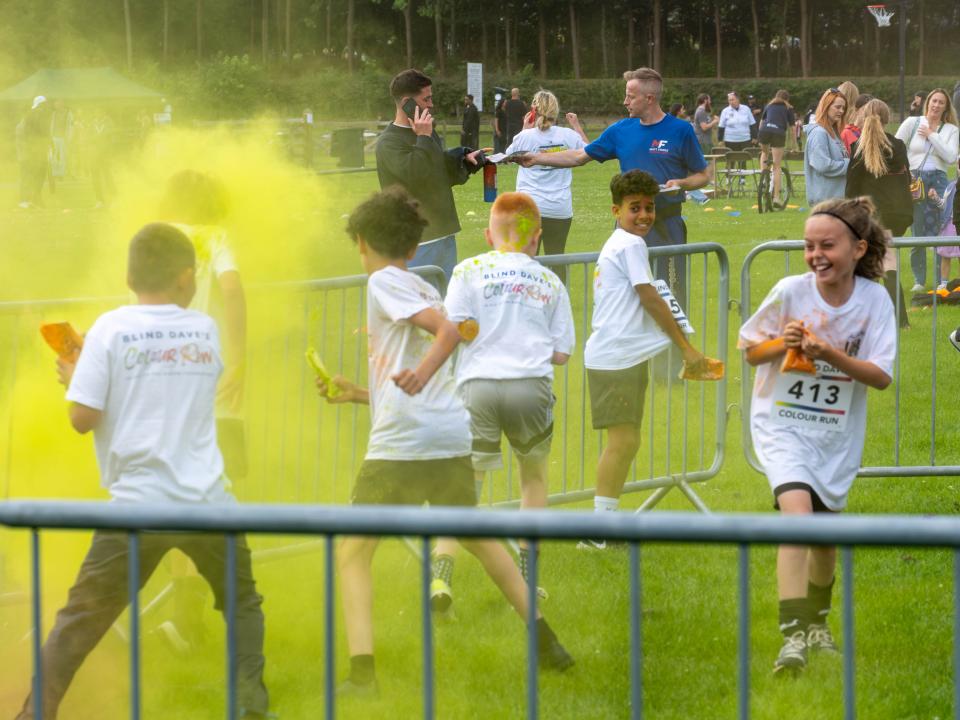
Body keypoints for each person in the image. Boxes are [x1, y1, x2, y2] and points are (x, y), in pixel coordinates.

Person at [317, 188, 574, 696]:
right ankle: (549, 644)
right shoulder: (419, 285)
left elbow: (447, 332)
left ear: (363, 242)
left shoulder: (384, 282)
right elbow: (425, 366)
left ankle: (362, 675)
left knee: (352, 552)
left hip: (403, 445)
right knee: (481, 541)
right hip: (446, 431)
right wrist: (359, 394)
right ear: (415, 249)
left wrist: (419, 372)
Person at [15, 223, 270, 720]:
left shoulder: (109, 329)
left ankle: (35, 714)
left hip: (137, 506)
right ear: (184, 278)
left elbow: (81, 419)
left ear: (130, 275)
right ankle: (251, 707)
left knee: (80, 619)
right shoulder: (203, 330)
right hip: (208, 502)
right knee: (242, 604)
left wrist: (75, 377)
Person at [740, 197, 895, 675]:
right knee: (799, 521)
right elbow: (751, 351)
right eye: (809, 246)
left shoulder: (874, 301)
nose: (816, 255)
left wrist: (829, 354)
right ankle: (792, 638)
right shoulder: (790, 290)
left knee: (825, 536)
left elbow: (881, 375)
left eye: (827, 245)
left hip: (834, 432)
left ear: (858, 247)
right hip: (782, 423)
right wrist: (778, 345)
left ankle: (818, 623)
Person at [430, 191, 575, 611]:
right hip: (529, 383)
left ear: (488, 235)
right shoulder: (549, 279)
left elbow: (455, 328)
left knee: (464, 486)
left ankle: (441, 577)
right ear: (537, 238)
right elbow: (562, 353)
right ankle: (529, 582)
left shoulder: (468, 269)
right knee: (532, 478)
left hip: (477, 384)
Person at [581, 170, 718, 545]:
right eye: (634, 208)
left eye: (649, 207)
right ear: (615, 210)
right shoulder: (628, 244)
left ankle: (604, 526)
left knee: (627, 441)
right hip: (615, 358)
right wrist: (686, 349)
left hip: (622, 356)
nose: (643, 215)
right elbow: (650, 297)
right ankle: (598, 532)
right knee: (622, 442)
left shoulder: (625, 242)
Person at [517, 67, 710, 314]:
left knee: (669, 298)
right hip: (627, 229)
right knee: (625, 298)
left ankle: (671, 351)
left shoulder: (680, 130)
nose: (624, 101)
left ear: (649, 98)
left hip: (667, 227)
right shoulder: (621, 130)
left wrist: (681, 184)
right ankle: (635, 353)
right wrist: (536, 158)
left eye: (630, 96)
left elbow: (704, 176)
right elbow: (579, 156)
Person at [156, 170, 249, 651]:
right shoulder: (215, 236)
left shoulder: (157, 238)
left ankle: (184, 614)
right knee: (213, 491)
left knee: (179, 494)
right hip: (207, 372)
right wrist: (240, 354)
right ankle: (221, 612)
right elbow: (230, 290)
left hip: (161, 376)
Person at [375, 68, 484, 278]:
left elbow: (436, 170)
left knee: (444, 306)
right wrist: (423, 137)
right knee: (420, 305)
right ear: (407, 102)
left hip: (444, 233)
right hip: (417, 241)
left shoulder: (427, 132)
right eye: (427, 99)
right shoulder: (389, 143)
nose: (431, 105)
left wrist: (464, 160)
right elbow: (417, 175)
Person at [505, 90, 588, 281]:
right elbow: (589, 150)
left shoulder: (525, 136)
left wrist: (524, 130)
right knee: (556, 257)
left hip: (529, 207)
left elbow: (507, 156)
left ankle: (527, 304)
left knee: (525, 260)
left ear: (533, 110)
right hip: (559, 208)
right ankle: (558, 303)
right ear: (556, 111)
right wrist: (576, 125)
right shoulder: (567, 135)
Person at [845, 98, 912, 327]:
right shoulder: (899, 145)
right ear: (887, 118)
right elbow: (907, 179)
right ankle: (900, 320)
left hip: (869, 215)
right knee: (889, 263)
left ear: (863, 117)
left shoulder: (859, 148)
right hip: (896, 214)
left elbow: (851, 188)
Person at [894, 87, 959, 291]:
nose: (936, 105)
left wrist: (932, 135)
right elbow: (895, 147)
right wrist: (905, 170)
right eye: (934, 101)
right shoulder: (912, 123)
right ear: (927, 102)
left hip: (939, 180)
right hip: (915, 180)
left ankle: (942, 281)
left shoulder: (951, 130)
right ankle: (919, 281)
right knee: (918, 230)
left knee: (942, 231)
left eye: (941, 102)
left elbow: (950, 157)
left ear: (946, 107)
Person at [802, 88, 849, 207]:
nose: (841, 111)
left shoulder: (834, 132)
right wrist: (849, 164)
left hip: (837, 201)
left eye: (843, 108)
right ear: (826, 106)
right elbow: (823, 165)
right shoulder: (819, 133)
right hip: (825, 202)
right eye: (837, 107)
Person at [758, 89, 797, 209]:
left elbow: (761, 123)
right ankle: (776, 197)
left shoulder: (768, 106)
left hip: (764, 131)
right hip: (778, 133)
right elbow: (792, 128)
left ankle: (764, 177)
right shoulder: (788, 108)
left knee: (764, 153)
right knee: (777, 165)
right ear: (787, 99)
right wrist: (794, 145)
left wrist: (760, 137)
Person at [17, 95, 52, 209]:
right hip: (33, 152)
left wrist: (48, 144)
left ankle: (35, 199)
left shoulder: (42, 116)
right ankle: (25, 200)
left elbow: (45, 133)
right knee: (30, 175)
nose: (45, 107)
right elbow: (27, 136)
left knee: (39, 175)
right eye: (43, 104)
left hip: (39, 151)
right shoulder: (30, 116)